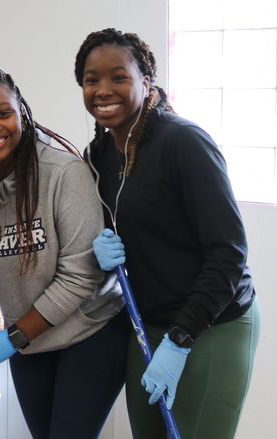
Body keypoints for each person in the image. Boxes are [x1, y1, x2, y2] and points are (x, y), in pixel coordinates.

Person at [75, 28, 260, 439]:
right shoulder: (99, 155)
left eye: (118, 76)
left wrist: (179, 341)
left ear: (145, 81)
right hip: (147, 325)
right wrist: (99, 248)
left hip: (213, 327)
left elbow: (228, 255)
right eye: (91, 80)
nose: (103, 89)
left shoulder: (185, 143)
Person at [0, 64, 128, 439]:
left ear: (22, 116)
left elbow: (81, 275)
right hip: (29, 341)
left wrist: (13, 337)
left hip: (89, 332)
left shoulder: (63, 174)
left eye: (3, 113)